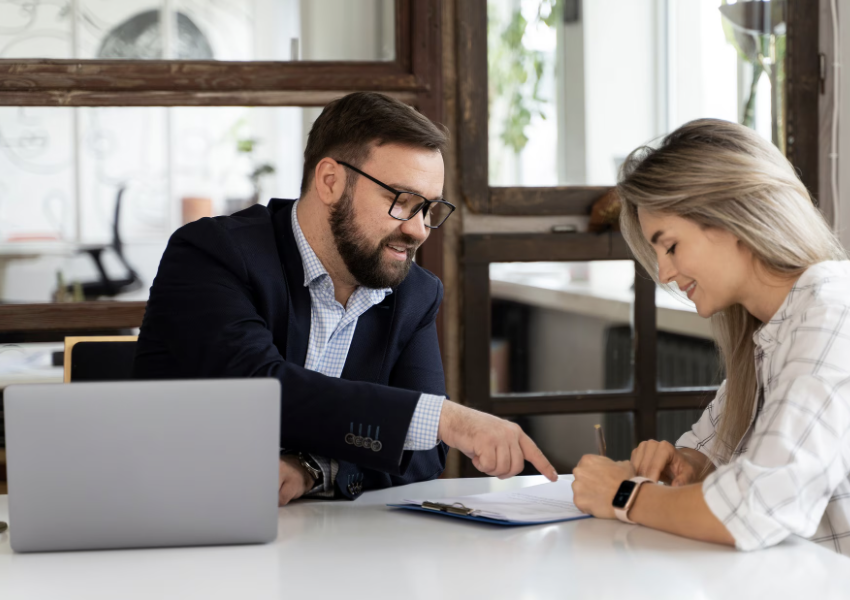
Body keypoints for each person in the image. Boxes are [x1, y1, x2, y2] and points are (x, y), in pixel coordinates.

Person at [134, 92, 557, 506]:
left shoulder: (414, 293)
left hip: (326, 545)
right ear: (331, 181)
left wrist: (314, 469)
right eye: (402, 201)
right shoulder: (213, 253)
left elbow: (426, 454)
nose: (419, 230)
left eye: (428, 209)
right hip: (177, 518)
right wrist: (443, 417)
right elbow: (257, 389)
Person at [571, 119, 850, 557]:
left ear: (730, 218)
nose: (662, 273)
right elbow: (703, 454)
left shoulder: (833, 313)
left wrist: (626, 495)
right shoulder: (766, 336)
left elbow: (755, 506)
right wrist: (688, 467)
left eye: (671, 246)